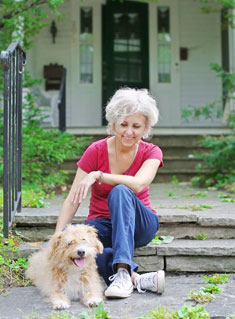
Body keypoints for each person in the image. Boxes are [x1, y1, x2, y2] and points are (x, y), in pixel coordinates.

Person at [55, 87, 165, 299]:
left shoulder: (152, 151)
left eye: (136, 126)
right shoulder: (95, 150)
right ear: (113, 124)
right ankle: (137, 279)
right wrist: (59, 235)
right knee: (83, 243)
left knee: (121, 190)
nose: (129, 132)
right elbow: (73, 199)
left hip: (140, 225)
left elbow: (139, 184)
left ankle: (122, 270)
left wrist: (98, 175)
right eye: (123, 124)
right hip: (103, 225)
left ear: (146, 128)